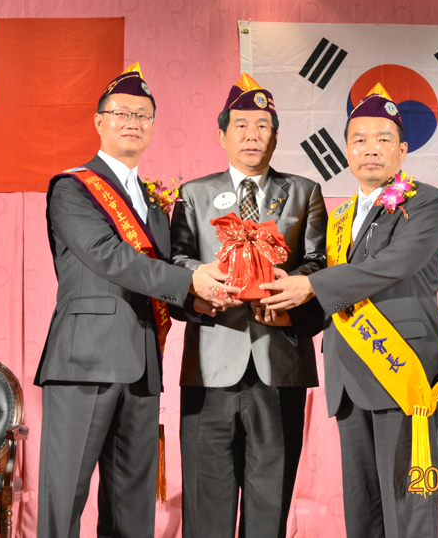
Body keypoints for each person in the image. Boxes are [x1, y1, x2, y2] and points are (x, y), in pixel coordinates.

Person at [35, 62, 239, 538]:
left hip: (143, 366)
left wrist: (207, 299)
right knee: (64, 499)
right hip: (84, 363)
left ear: (152, 125)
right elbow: (110, 257)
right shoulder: (72, 188)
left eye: (143, 115)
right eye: (121, 113)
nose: (132, 123)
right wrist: (191, 281)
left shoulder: (154, 204)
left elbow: (165, 277)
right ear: (99, 121)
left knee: (133, 506)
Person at [261, 84, 438, 538]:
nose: (371, 148)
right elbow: (336, 297)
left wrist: (309, 285)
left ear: (402, 150)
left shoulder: (425, 201)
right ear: (346, 151)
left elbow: (391, 266)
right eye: (360, 139)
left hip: (398, 367)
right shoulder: (340, 217)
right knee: (362, 508)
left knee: (407, 507)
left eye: (383, 139)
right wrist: (291, 315)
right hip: (348, 374)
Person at [168, 73, 327, 538]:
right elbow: (176, 263)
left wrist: (288, 291)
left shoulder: (304, 192)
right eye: (240, 125)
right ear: (222, 135)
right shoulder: (194, 194)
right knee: (206, 506)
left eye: (262, 126)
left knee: (269, 505)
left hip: (280, 364)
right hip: (210, 364)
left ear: (276, 136)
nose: (252, 135)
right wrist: (204, 288)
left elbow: (319, 264)